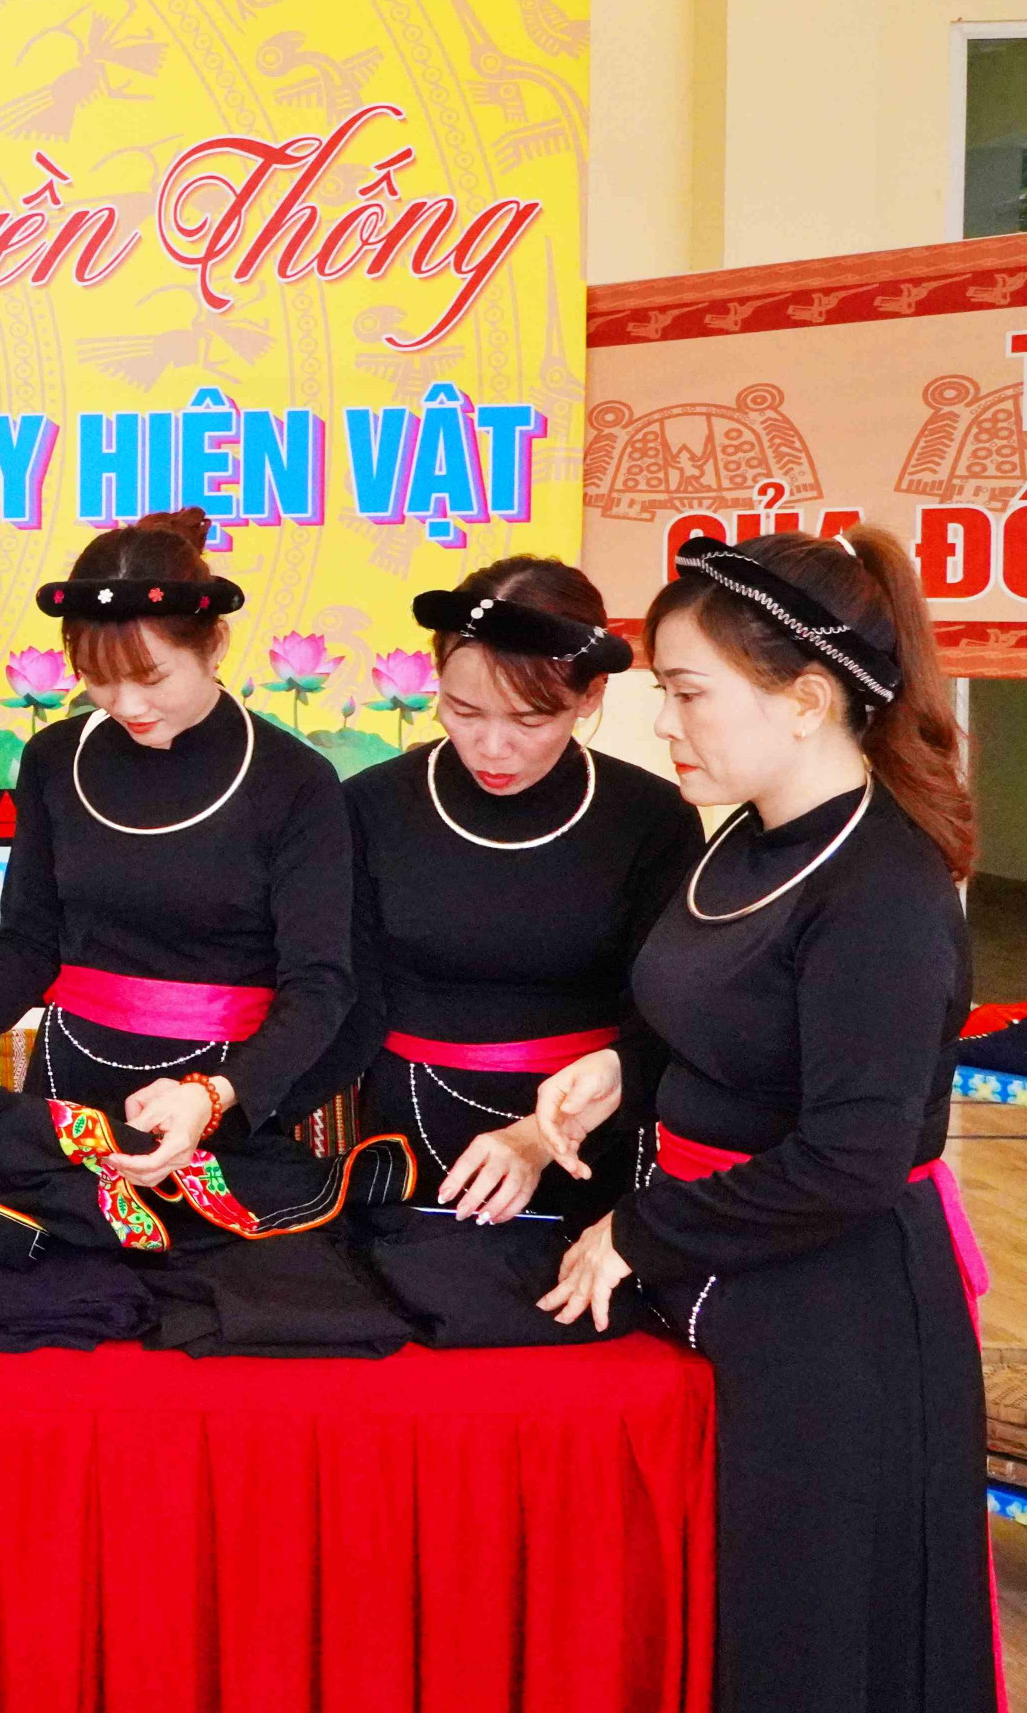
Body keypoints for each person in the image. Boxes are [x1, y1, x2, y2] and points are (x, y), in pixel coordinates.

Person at [538, 530, 994, 1711]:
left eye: (689, 692)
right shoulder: (745, 833)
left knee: (808, 1640)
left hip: (836, 1316)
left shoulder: (882, 890)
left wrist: (643, 1228)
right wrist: (621, 1068)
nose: (665, 723)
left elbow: (852, 1158)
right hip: (733, 1275)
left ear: (806, 699)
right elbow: (723, 1012)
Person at [0, 509, 350, 1209]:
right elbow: (30, 946)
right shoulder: (55, 759)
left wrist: (215, 1096)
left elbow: (320, 986)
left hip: (220, 1102)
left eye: (152, 676)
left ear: (215, 645)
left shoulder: (294, 781)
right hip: (70, 1093)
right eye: (96, 678)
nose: (126, 704)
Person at [331, 560, 698, 1224]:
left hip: (590, 1148)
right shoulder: (368, 807)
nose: (492, 748)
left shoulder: (652, 819)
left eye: (530, 720)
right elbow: (335, 994)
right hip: (402, 1143)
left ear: (591, 695)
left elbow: (667, 1024)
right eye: (464, 710)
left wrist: (539, 1138)